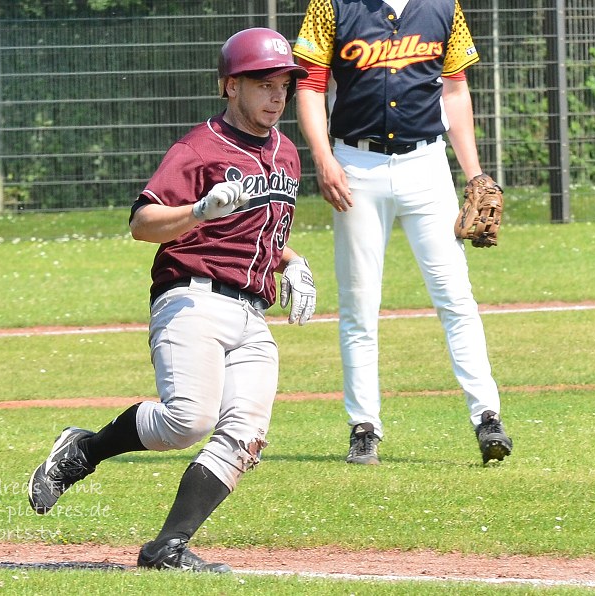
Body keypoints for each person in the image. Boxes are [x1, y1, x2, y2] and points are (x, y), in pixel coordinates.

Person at [27, 28, 315, 572]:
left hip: (252, 313)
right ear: (230, 86)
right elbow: (142, 223)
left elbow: (261, 237)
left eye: (284, 84)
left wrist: (292, 262)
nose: (277, 95)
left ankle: (167, 547)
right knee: (188, 422)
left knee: (246, 436)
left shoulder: (286, 153)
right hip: (192, 301)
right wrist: (199, 211)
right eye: (263, 83)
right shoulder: (198, 148)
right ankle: (83, 451)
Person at [292, 0, 513, 465]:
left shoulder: (442, 6)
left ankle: (488, 416)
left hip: (427, 166)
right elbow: (309, 86)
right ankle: (364, 425)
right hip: (355, 164)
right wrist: (323, 156)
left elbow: (454, 90)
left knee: (455, 296)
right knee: (359, 304)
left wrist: (473, 173)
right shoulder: (331, 5)